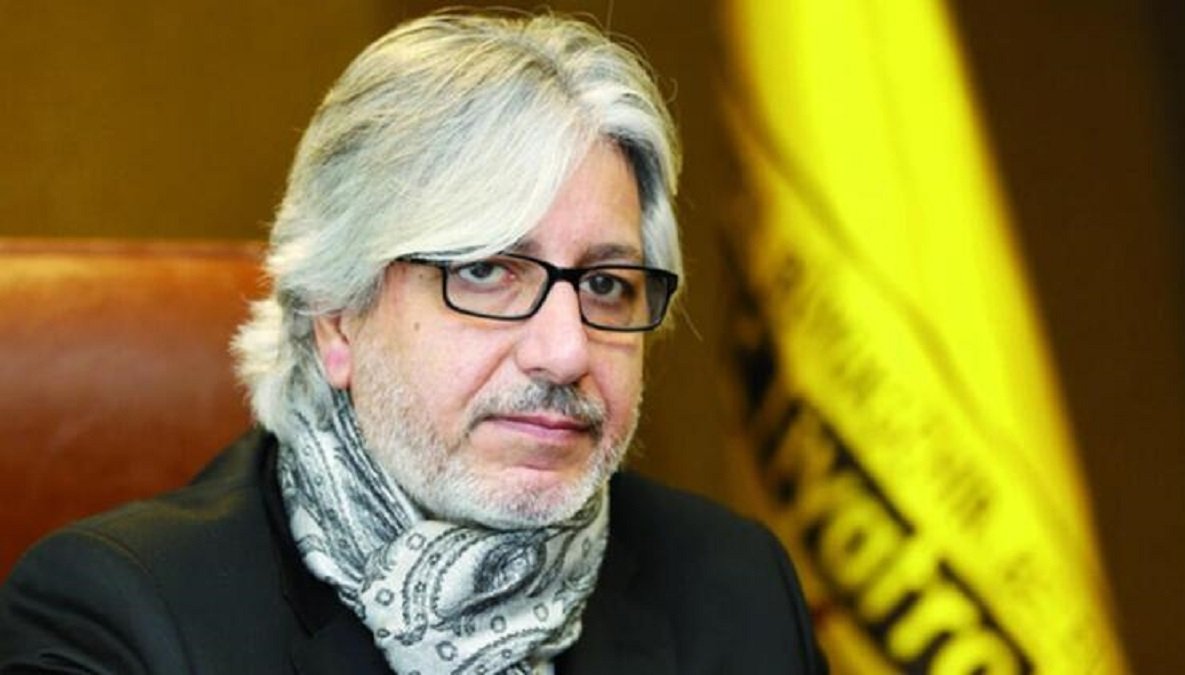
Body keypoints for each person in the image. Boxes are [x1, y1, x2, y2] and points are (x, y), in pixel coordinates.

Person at [0, 11, 826, 674]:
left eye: (606, 284)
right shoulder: (124, 617)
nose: (566, 350)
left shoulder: (735, 589)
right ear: (335, 315)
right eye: (487, 271)